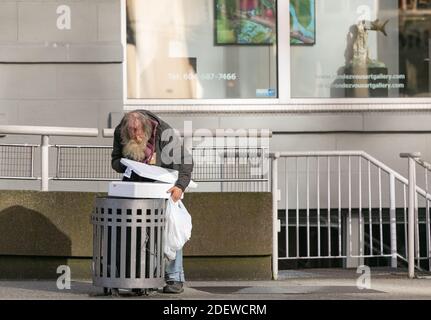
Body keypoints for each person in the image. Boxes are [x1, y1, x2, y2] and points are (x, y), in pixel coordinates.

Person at [111, 110, 193, 294]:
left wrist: (180, 186)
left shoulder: (164, 132)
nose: (137, 136)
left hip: (164, 184)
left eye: (139, 132)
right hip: (136, 186)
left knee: (170, 229)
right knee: (136, 232)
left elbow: (186, 160)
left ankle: (174, 277)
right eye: (132, 133)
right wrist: (129, 162)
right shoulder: (120, 131)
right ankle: (142, 277)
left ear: (147, 128)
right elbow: (115, 160)